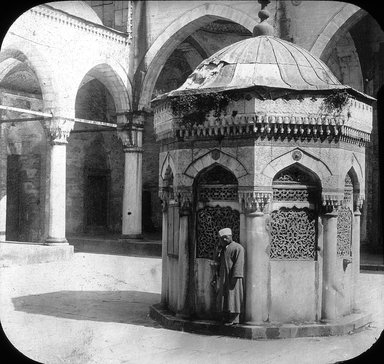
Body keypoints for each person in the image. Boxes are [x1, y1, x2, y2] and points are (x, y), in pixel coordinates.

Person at [214, 227, 245, 326]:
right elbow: (217, 261)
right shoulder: (223, 249)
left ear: (226, 238)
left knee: (234, 297)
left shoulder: (238, 248)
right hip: (224, 277)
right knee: (225, 298)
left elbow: (239, 263)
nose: (220, 242)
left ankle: (235, 320)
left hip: (233, 277)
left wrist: (235, 276)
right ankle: (227, 318)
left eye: (220, 239)